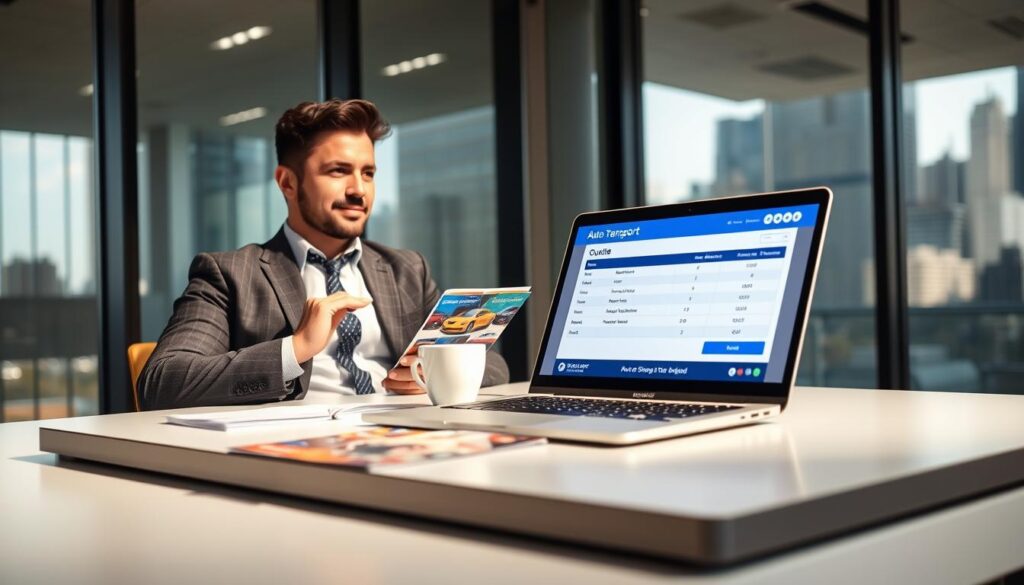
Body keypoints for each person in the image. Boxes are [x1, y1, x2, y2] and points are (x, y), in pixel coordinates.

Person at [138, 99, 509, 409]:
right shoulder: (229, 273)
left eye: (368, 173)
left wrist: (434, 372)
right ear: (287, 182)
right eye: (338, 171)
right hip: (295, 452)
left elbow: (492, 363)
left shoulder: (406, 269)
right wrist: (295, 348)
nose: (358, 190)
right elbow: (162, 382)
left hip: (403, 436)